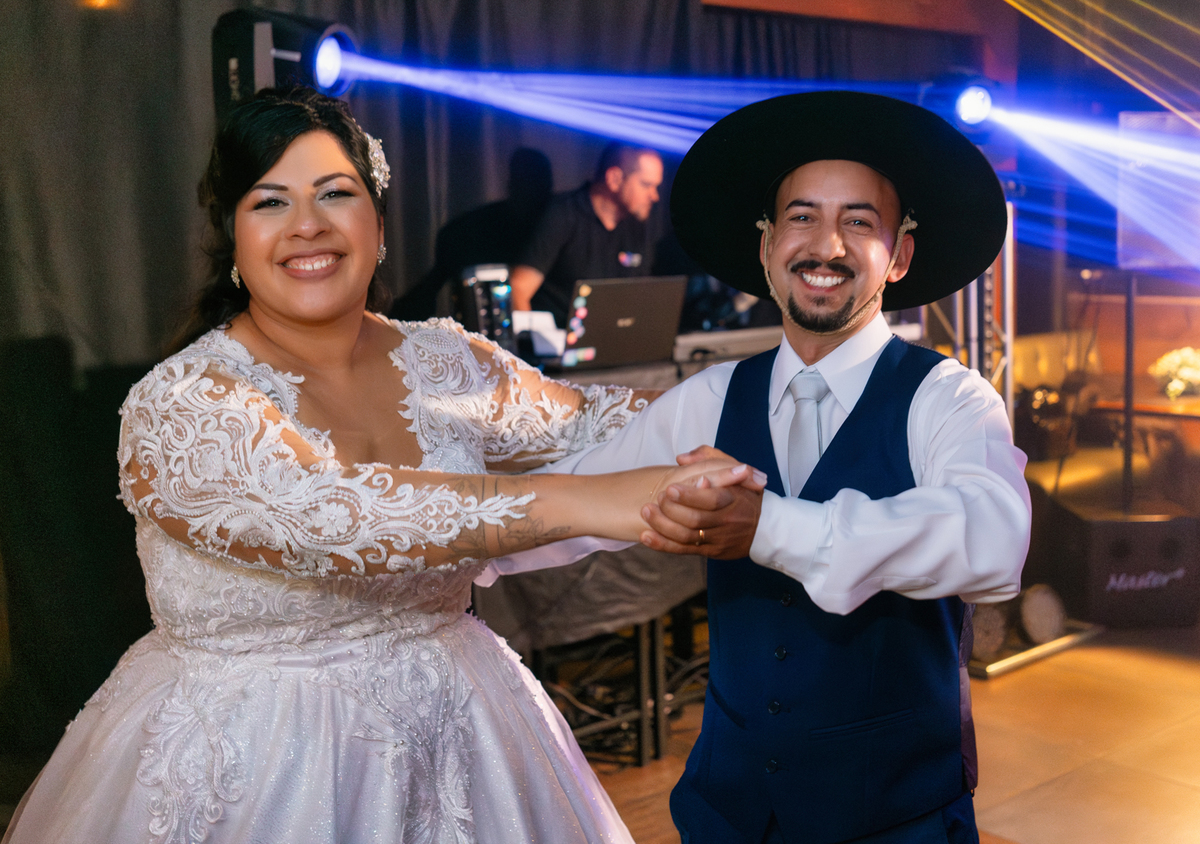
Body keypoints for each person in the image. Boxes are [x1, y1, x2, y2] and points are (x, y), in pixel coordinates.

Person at [0, 87, 761, 844]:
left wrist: (780, 389)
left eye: (336, 193)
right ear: (232, 236)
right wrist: (604, 501)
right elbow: (338, 516)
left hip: (467, 737)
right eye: (270, 202)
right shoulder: (183, 401)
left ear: (379, 221)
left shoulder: (444, 358)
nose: (308, 224)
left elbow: (593, 419)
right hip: (258, 769)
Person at [522, 91, 1032, 843]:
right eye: (801, 216)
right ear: (765, 247)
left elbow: (994, 542)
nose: (826, 246)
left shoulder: (948, 397)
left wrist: (769, 526)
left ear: (899, 256)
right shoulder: (711, 397)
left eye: (858, 222)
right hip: (726, 812)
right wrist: (426, 545)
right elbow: (573, 500)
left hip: (898, 816)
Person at [509, 142, 663, 326]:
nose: (654, 196)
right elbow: (518, 288)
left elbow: (640, 297)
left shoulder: (636, 226)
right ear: (614, 179)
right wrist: (534, 338)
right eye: (646, 185)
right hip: (558, 338)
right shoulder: (563, 215)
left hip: (608, 338)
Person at [391, 147, 554, 321]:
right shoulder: (467, 230)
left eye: (537, 183)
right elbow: (431, 286)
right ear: (512, 183)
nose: (531, 190)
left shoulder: (554, 227)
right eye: (525, 181)